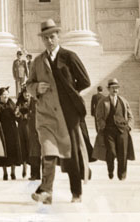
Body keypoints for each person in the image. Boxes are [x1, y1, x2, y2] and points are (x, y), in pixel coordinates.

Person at [25, 19, 92, 204]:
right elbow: (28, 85)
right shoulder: (38, 61)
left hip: (68, 114)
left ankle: (76, 192)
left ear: (58, 36)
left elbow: (85, 81)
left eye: (52, 37)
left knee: (71, 156)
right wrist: (37, 88)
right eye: (45, 38)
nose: (49, 41)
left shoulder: (69, 57)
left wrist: (70, 92)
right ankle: (46, 191)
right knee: (48, 151)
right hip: (46, 114)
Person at [92, 78, 135, 180]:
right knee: (111, 152)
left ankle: (122, 175)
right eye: (113, 88)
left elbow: (130, 116)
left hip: (122, 130)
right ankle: (110, 170)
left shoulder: (123, 101)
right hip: (109, 131)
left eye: (116, 88)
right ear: (108, 89)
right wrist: (102, 126)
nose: (115, 90)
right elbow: (99, 116)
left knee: (123, 153)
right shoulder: (103, 102)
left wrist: (129, 126)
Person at [0, 87, 22, 180]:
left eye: (7, 94)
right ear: (0, 96)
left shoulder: (11, 103)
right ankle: (5, 173)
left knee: (13, 151)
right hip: (2, 130)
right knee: (4, 151)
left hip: (12, 130)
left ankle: (13, 172)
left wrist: (17, 114)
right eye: (4, 95)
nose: (6, 96)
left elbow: (18, 117)